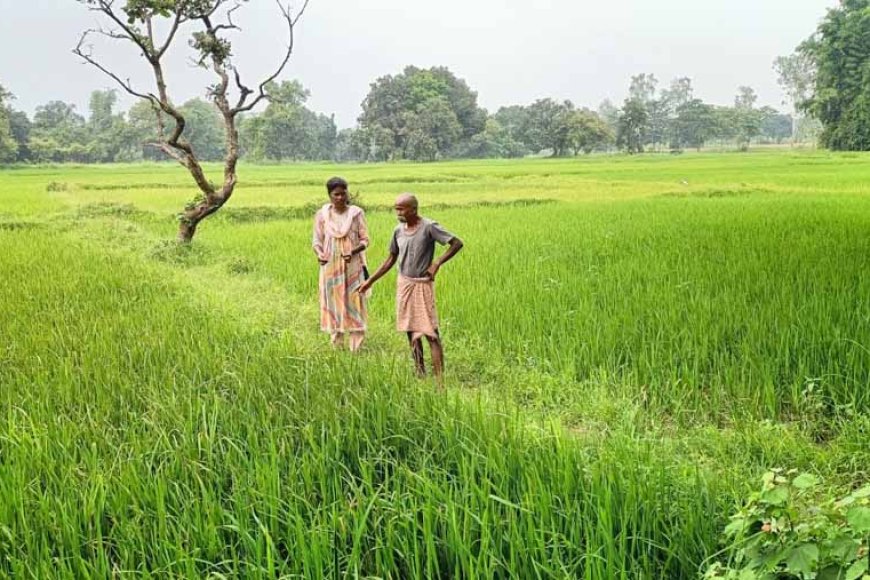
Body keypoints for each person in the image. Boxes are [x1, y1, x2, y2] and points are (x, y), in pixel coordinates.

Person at [358, 193, 463, 379]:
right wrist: (370, 281)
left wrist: (437, 263)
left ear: (414, 209)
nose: (398, 212)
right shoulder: (398, 231)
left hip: (421, 286)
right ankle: (419, 371)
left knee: (431, 333)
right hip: (404, 284)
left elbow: (456, 243)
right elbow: (391, 259)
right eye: (396, 208)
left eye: (401, 208)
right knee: (410, 329)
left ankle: (440, 381)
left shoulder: (429, 227)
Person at [312, 177, 370, 351]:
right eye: (336, 194)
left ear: (347, 193)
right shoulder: (322, 215)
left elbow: (365, 240)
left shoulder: (356, 213)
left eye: (343, 193)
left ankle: (356, 349)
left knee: (355, 303)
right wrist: (319, 254)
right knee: (334, 303)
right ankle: (337, 346)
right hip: (330, 266)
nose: (340, 198)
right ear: (329, 195)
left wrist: (352, 251)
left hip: (353, 266)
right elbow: (317, 240)